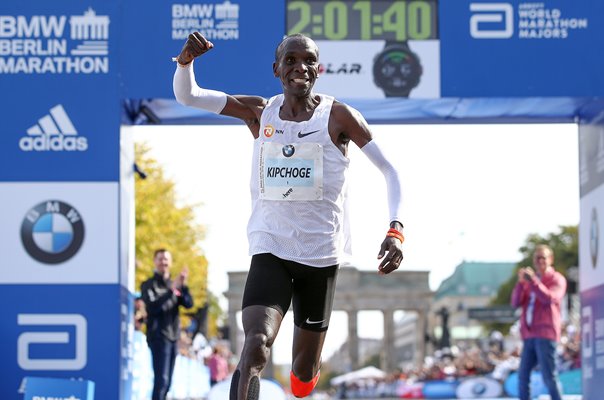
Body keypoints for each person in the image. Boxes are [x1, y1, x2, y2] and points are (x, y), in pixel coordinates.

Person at [173, 32, 404, 400]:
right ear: (276, 69)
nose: (301, 68)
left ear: (319, 69)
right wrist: (185, 62)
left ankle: (305, 376)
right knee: (256, 344)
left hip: (319, 255)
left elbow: (390, 171)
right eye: (291, 60)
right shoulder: (259, 112)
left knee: (302, 375)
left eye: (309, 61)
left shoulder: (340, 116)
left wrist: (396, 230)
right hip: (271, 245)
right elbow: (189, 96)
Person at [511, 244, 567, 400]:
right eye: (537, 258)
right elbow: (515, 303)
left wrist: (534, 282)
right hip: (528, 335)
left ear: (550, 259)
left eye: (543, 257)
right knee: (522, 377)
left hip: (546, 334)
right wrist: (521, 283)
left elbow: (549, 299)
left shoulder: (557, 279)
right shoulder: (529, 282)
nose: (540, 261)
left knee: (549, 376)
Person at [141, 249, 194, 400]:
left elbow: (189, 304)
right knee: (161, 379)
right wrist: (172, 290)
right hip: (157, 336)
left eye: (166, 259)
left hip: (173, 337)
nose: (163, 262)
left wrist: (183, 287)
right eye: (160, 259)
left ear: (170, 263)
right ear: (154, 261)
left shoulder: (175, 284)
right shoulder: (148, 284)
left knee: (168, 382)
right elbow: (153, 306)